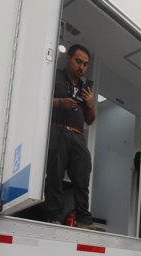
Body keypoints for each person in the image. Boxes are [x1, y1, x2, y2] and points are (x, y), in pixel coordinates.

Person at [44, 44, 97, 229]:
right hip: (57, 130)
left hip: (78, 135)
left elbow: (90, 120)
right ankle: (55, 217)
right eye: (78, 61)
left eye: (85, 64)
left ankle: (84, 219)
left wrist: (90, 104)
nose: (81, 67)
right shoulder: (55, 76)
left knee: (82, 178)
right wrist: (60, 102)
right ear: (69, 59)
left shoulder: (86, 88)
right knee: (55, 176)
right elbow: (40, 98)